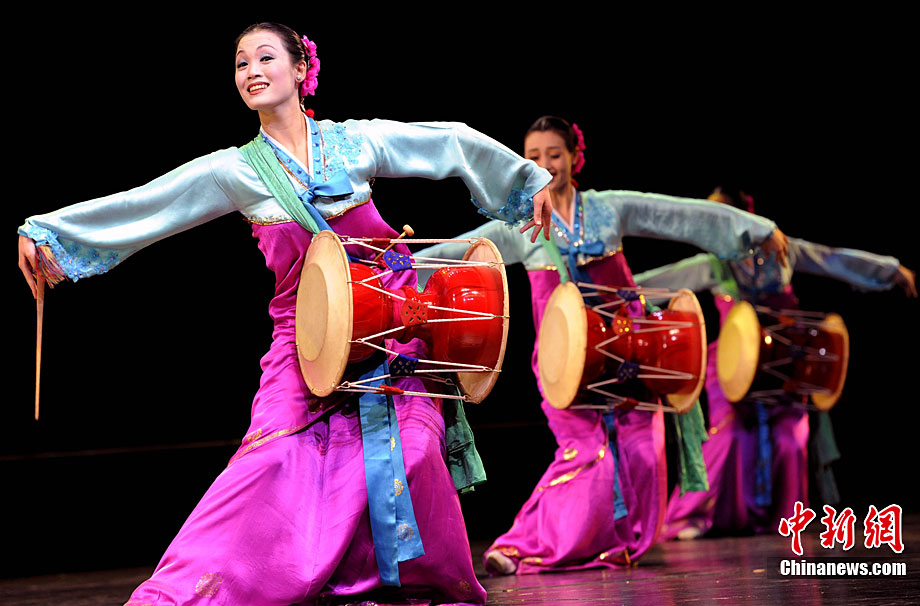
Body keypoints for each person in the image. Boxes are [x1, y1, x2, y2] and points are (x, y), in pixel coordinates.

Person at [17, 22, 555, 606]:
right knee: (271, 456)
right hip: (305, 338)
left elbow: (448, 141)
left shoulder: (355, 143)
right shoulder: (236, 170)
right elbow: (149, 204)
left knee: (415, 451)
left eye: (265, 57)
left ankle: (388, 581)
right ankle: (178, 595)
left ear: (301, 69)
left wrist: (527, 180)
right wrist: (48, 234)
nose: (251, 71)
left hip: (389, 328)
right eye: (241, 62)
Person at [414, 116, 789, 575]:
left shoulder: (608, 209)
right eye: (533, 157)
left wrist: (755, 228)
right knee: (588, 454)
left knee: (644, 454)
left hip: (629, 355)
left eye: (555, 154)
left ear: (575, 158)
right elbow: (457, 251)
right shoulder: (518, 224)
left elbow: (679, 214)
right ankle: (520, 546)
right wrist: (396, 267)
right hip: (564, 363)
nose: (545, 165)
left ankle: (617, 543)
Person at [632, 186, 916, 540]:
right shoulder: (713, 264)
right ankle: (698, 515)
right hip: (733, 365)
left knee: (789, 439)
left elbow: (834, 260)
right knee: (730, 434)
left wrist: (891, 271)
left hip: (784, 363)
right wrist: (609, 287)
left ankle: (782, 516)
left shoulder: (782, 251)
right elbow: (657, 280)